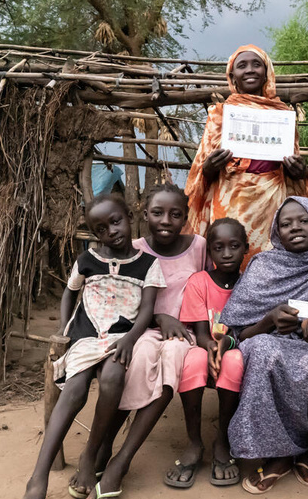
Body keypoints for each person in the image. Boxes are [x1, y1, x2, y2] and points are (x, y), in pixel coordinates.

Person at [66, 183, 206, 499]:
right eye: (157, 213)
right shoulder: (135, 247)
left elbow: (208, 287)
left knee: (170, 360)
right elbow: (116, 297)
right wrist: (159, 317)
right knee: (138, 360)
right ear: (144, 214)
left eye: (175, 214)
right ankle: (101, 449)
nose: (166, 220)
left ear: (185, 217)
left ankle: (121, 461)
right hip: (139, 329)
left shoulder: (199, 246)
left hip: (183, 333)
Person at [22, 195, 164, 499]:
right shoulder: (87, 260)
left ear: (128, 216)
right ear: (95, 234)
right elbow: (68, 293)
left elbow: (148, 309)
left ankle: (90, 456)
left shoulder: (148, 264)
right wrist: (63, 327)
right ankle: (38, 476)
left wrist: (129, 339)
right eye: (101, 229)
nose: (111, 231)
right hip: (85, 335)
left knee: (113, 378)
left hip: (121, 337)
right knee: (75, 389)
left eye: (115, 221)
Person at [221, 196, 308, 494]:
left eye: (304, 220)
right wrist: (269, 320)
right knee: (266, 354)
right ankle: (283, 456)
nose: (295, 227)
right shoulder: (262, 266)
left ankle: (300, 448)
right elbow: (239, 334)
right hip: (264, 340)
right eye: (286, 223)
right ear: (275, 232)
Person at [184, 44, 308, 266]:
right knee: (228, 258)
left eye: (257, 64)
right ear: (232, 76)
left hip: (270, 203)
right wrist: (209, 167)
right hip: (229, 200)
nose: (250, 70)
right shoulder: (220, 116)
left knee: (269, 262)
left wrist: (298, 172)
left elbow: (294, 173)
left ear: (267, 72)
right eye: (242, 66)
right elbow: (200, 170)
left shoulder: (283, 116)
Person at [164, 218, 249, 488]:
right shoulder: (199, 281)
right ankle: (194, 442)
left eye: (234, 246)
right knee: (194, 360)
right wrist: (212, 347)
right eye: (218, 247)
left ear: (246, 248)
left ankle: (222, 439)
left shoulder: (250, 284)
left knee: (234, 363)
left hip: (236, 346)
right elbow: (201, 334)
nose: (226, 254)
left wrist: (225, 348)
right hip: (206, 344)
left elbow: (244, 331)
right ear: (209, 251)